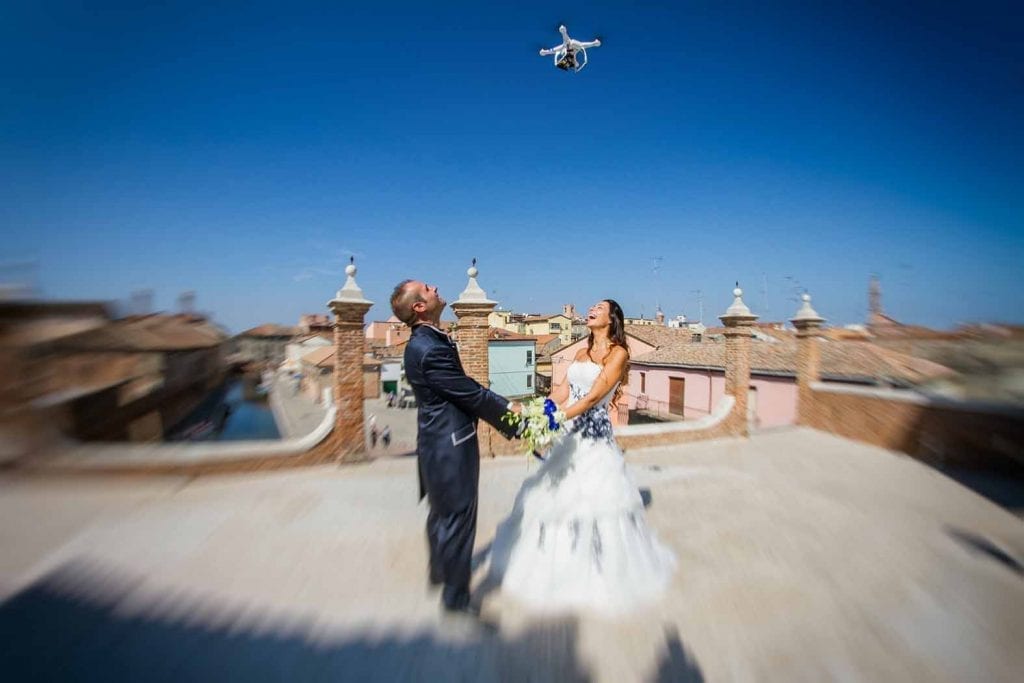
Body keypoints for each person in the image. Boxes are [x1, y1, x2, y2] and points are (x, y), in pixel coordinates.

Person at [487, 299, 676, 616]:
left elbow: (592, 398)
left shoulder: (618, 353)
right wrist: (537, 410)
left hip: (593, 436)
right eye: (592, 307)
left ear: (611, 318)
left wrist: (557, 418)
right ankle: (557, 567)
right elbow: (561, 392)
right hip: (568, 434)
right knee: (555, 497)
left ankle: (599, 571)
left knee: (595, 502)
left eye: (599, 308)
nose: (592, 309)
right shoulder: (579, 353)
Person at [390, 279, 522, 615]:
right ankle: (456, 597)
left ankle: (440, 571)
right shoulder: (430, 348)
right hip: (451, 444)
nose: (434, 287)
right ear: (419, 306)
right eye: (427, 288)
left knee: (441, 513)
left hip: (434, 440)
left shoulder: (426, 340)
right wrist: (512, 415)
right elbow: (470, 393)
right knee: (458, 518)